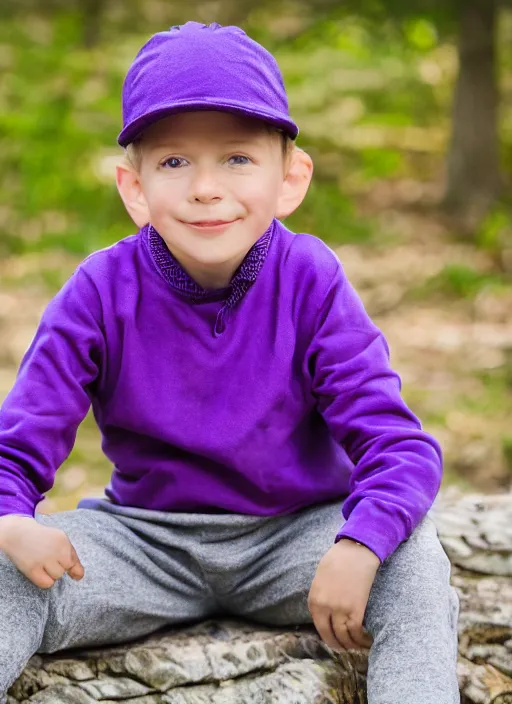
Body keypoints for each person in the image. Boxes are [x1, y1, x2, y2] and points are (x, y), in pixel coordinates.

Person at [0, 21, 460, 703]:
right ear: (134, 188)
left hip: (295, 539)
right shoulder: (99, 290)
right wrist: (12, 519)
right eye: (175, 162)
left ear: (290, 179)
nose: (206, 188)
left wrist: (359, 544)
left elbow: (400, 447)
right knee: (5, 569)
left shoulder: (311, 279)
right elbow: (16, 449)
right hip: (146, 543)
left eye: (238, 159)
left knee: (415, 561)